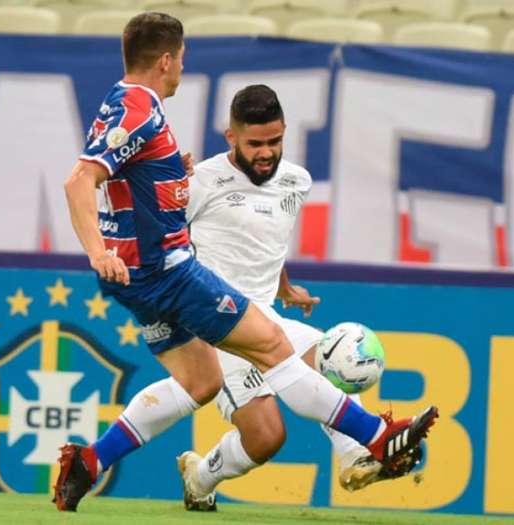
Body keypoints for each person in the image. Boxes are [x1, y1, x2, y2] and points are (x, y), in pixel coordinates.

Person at [54, 11, 438, 513]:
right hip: (168, 273)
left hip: (144, 279)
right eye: (182, 59)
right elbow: (80, 181)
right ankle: (377, 437)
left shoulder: (122, 101)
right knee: (276, 349)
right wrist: (99, 252)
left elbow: (124, 177)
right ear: (167, 59)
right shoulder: (139, 107)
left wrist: (167, 172)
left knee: (199, 382)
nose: (182, 69)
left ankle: (90, 461)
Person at [176, 85, 416, 511]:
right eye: (255, 144)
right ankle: (200, 478)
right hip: (218, 329)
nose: (267, 152)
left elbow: (265, 241)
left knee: (333, 357)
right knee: (267, 438)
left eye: (275, 141)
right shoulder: (200, 181)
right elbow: (164, 240)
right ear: (231, 138)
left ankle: (355, 458)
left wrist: (284, 286)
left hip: (266, 317)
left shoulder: (296, 180)